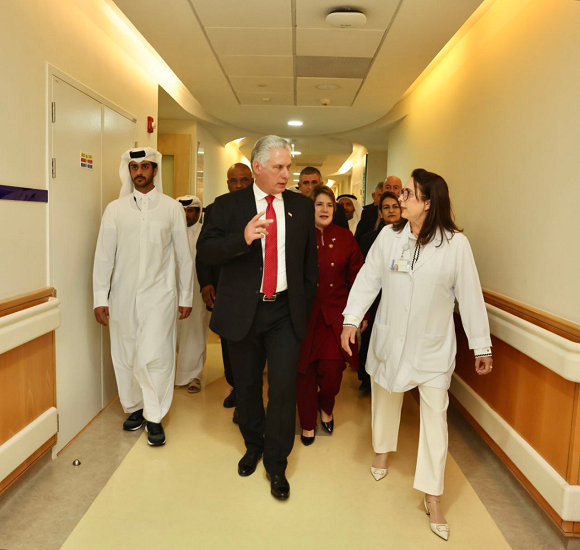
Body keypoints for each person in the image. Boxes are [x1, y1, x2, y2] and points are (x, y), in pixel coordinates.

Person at [341, 169, 493, 541]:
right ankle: (381, 450)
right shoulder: (388, 239)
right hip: (391, 337)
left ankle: (433, 494)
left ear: (427, 202)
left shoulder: (455, 244)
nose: (399, 197)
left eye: (408, 192)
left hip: (432, 346)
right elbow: (367, 279)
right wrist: (350, 318)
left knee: (435, 421)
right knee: (385, 394)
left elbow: (470, 295)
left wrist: (481, 344)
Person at [197, 135, 318, 500]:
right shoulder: (227, 207)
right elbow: (206, 252)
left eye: (289, 167)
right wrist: (242, 238)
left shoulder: (300, 207)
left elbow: (308, 266)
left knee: (282, 388)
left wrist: (303, 305)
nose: (286, 175)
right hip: (243, 312)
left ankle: (276, 463)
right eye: (279, 167)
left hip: (283, 311)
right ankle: (253, 445)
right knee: (247, 386)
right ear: (258, 168)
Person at [93, 147, 193, 447]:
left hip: (160, 295)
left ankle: (154, 416)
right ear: (129, 170)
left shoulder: (171, 208)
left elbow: (183, 256)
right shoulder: (115, 209)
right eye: (134, 167)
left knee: (157, 354)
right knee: (125, 354)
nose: (139, 172)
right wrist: (100, 297)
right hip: (122, 295)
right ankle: (134, 407)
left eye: (145, 166)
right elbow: (103, 257)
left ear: (155, 170)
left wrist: (185, 295)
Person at [296, 186, 364, 446]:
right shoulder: (299, 236)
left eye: (329, 205)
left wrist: (360, 315)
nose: (324, 209)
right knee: (304, 373)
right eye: (318, 204)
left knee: (333, 372)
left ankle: (326, 407)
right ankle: (307, 423)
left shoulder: (346, 237)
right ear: (309, 208)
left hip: (336, 317)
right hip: (304, 317)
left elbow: (359, 279)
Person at [196, 163, 253, 421]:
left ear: (252, 181)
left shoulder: (262, 207)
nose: (239, 185)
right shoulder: (217, 207)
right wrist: (206, 283)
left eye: (244, 180)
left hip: (254, 289)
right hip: (225, 288)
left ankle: (247, 397)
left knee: (250, 347)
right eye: (234, 181)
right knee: (230, 344)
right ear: (228, 183)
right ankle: (237, 389)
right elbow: (204, 249)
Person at [357, 192, 402, 393]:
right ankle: (367, 379)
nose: (391, 210)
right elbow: (363, 274)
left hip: (399, 299)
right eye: (386, 207)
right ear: (380, 212)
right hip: (374, 299)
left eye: (395, 206)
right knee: (370, 339)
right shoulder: (368, 240)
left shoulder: (411, 238)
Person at [175, 195, 210, 394]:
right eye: (183, 211)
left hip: (198, 290)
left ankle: (193, 376)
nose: (187, 215)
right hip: (174, 290)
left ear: (198, 212)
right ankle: (176, 372)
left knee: (196, 331)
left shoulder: (205, 233)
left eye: (191, 211)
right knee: (177, 332)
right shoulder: (172, 231)